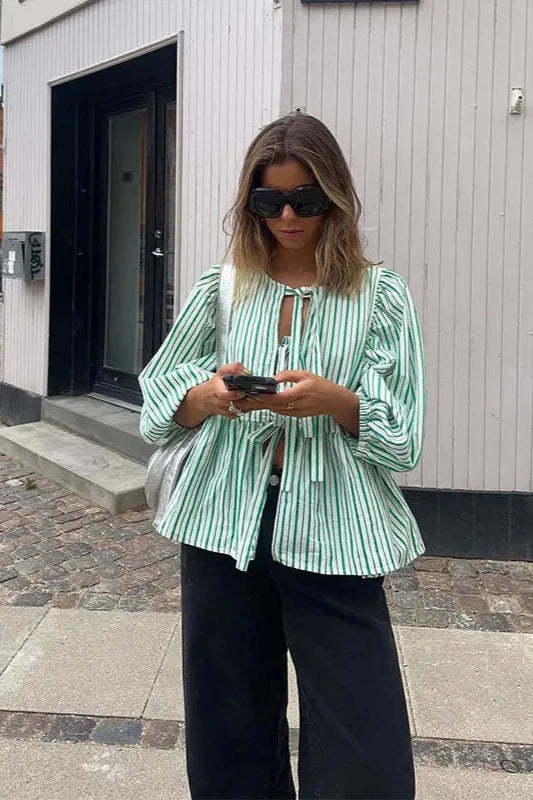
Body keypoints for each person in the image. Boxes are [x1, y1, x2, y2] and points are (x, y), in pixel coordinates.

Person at [138, 112, 426, 800]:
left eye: (307, 199)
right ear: (251, 203)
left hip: (335, 526)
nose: (289, 216)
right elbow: (156, 404)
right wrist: (207, 395)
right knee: (228, 727)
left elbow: (405, 437)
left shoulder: (380, 296)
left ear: (336, 198)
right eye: (270, 201)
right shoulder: (223, 287)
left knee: (364, 745)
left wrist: (338, 401)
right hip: (222, 524)